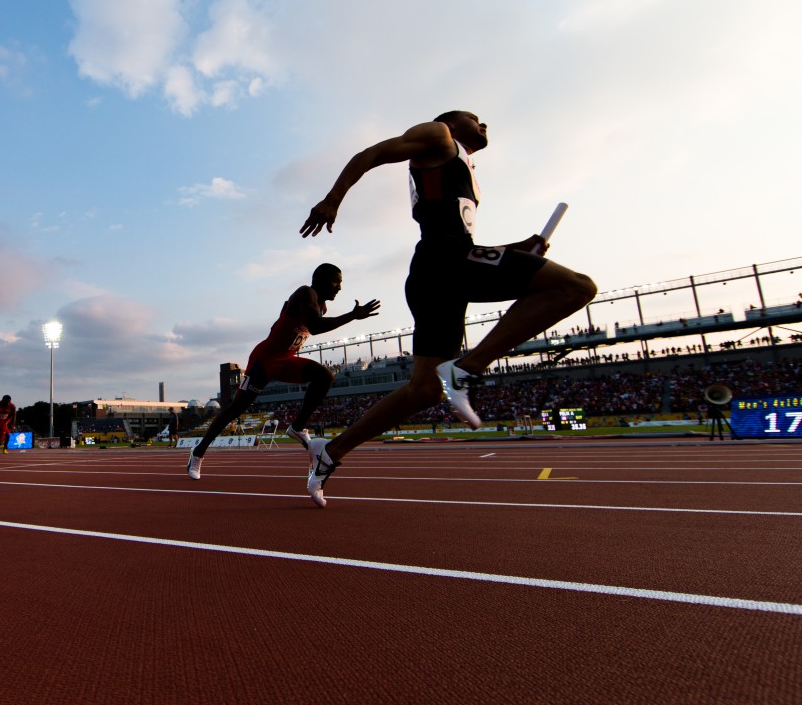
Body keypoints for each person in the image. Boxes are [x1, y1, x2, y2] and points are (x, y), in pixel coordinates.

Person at [297, 110, 596, 505]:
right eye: (476, 117)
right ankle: (467, 368)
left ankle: (330, 452)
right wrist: (332, 199)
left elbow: (460, 239)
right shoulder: (437, 135)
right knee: (575, 287)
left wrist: (515, 251)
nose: (484, 123)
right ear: (452, 122)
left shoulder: (458, 165)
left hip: (445, 267)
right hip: (444, 261)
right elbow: (370, 154)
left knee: (423, 391)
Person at [186, 263, 380, 480]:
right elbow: (315, 326)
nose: (339, 288)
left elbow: (295, 319)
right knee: (236, 408)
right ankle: (198, 452)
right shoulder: (306, 293)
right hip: (265, 360)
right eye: (336, 281)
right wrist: (352, 316)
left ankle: (297, 427)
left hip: (286, 360)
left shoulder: (321, 305)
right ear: (321, 280)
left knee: (325, 376)